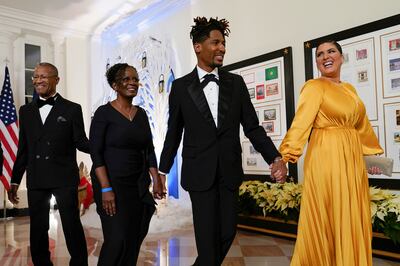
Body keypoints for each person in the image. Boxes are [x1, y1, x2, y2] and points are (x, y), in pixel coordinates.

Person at [158, 17, 287, 265]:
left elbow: (252, 127)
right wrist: (162, 170)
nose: (222, 48)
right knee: (207, 240)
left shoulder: (235, 83)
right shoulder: (181, 87)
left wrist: (275, 157)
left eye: (223, 43)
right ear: (198, 46)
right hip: (199, 173)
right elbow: (174, 131)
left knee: (227, 232)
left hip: (228, 171)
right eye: (215, 42)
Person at [279, 40, 383, 265]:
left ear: (341, 57)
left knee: (352, 213)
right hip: (326, 156)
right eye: (320, 54)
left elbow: (362, 126)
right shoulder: (314, 87)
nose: (325, 56)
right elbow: (301, 124)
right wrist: (285, 157)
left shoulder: (350, 89)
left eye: (331, 51)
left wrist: (373, 155)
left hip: (352, 158)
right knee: (328, 213)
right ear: (316, 62)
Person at [8, 62, 89, 266]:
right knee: (38, 228)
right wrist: (15, 181)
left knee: (71, 225)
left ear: (56, 80)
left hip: (64, 176)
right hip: (37, 176)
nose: (37, 80)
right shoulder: (25, 110)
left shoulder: (72, 109)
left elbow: (81, 141)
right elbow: (23, 148)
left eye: (43, 76)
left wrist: (104, 144)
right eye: (35, 76)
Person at [89, 63, 164, 265]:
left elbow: (149, 149)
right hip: (112, 183)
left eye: (135, 79)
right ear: (115, 85)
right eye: (126, 79)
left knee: (134, 235)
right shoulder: (103, 113)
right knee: (117, 239)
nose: (132, 83)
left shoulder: (141, 114)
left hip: (137, 184)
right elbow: (96, 154)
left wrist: (156, 179)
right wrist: (106, 188)